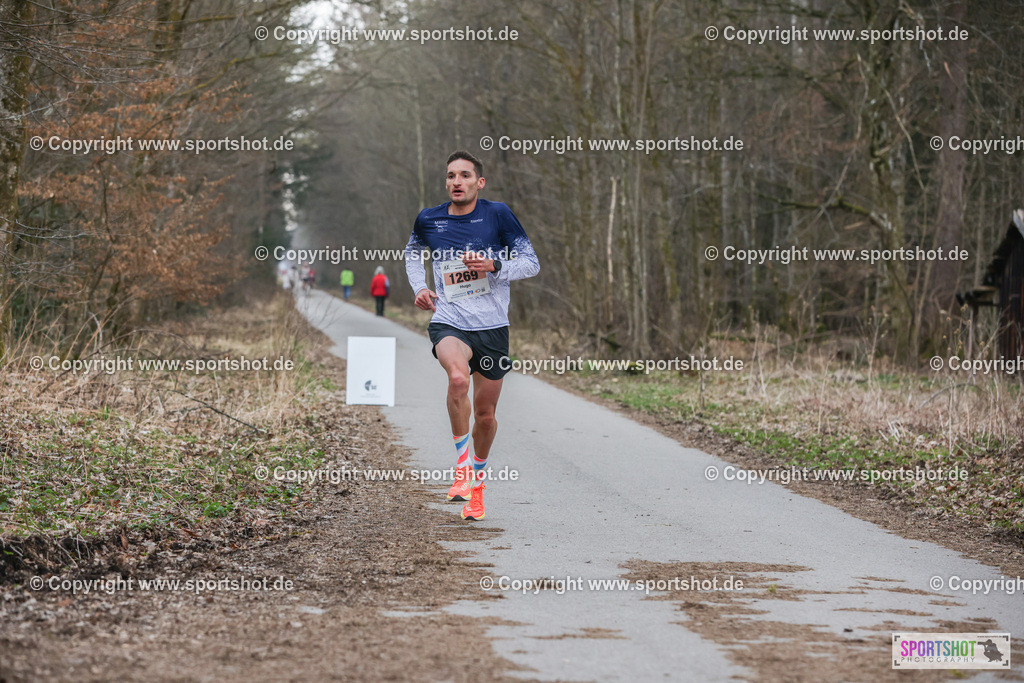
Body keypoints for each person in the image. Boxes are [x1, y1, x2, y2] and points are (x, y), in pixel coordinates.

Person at [404, 150, 540, 521]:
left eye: (465, 175)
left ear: (479, 182)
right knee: (458, 378)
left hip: (493, 326)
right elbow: (413, 253)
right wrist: (419, 286)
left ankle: (476, 485)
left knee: (485, 415)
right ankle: (462, 465)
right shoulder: (429, 219)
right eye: (450, 176)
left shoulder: (498, 214)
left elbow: (531, 263)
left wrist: (495, 264)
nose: (456, 182)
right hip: (449, 319)